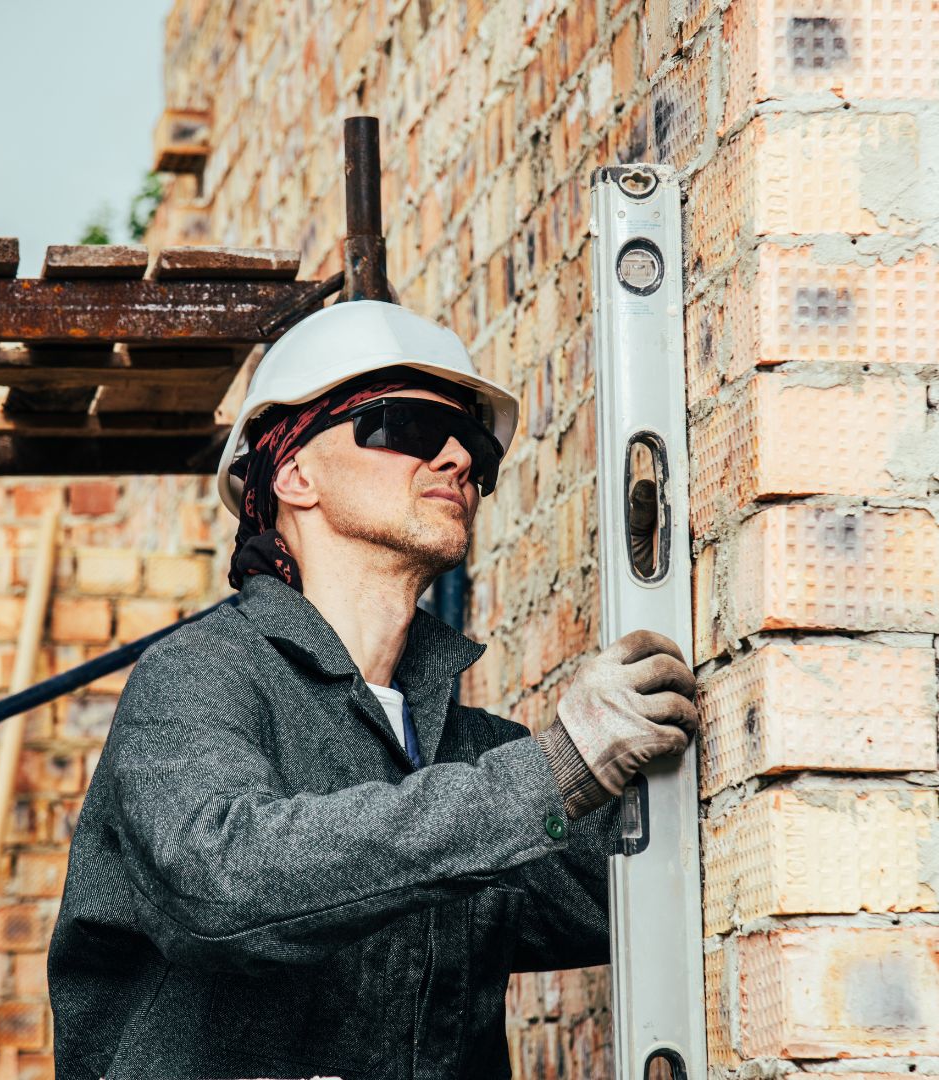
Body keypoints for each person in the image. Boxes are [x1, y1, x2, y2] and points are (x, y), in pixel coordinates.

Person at [47, 300, 698, 1080]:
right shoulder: (199, 680)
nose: (458, 458)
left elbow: (631, 898)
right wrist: (555, 772)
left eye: (476, 448)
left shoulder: (472, 751)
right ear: (293, 472)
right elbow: (224, 884)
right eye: (410, 427)